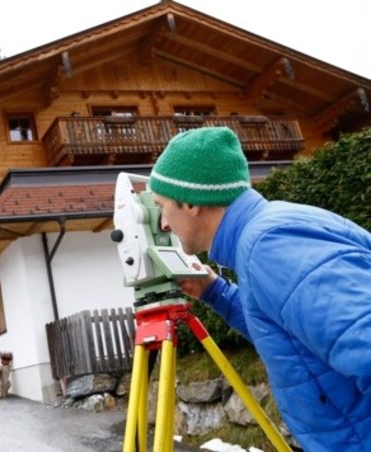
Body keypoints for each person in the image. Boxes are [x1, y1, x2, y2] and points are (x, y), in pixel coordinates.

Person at [148, 127, 371, 450]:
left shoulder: (269, 245)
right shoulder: (268, 232)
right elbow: (290, 331)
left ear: (190, 202)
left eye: (162, 206)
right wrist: (215, 292)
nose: (164, 223)